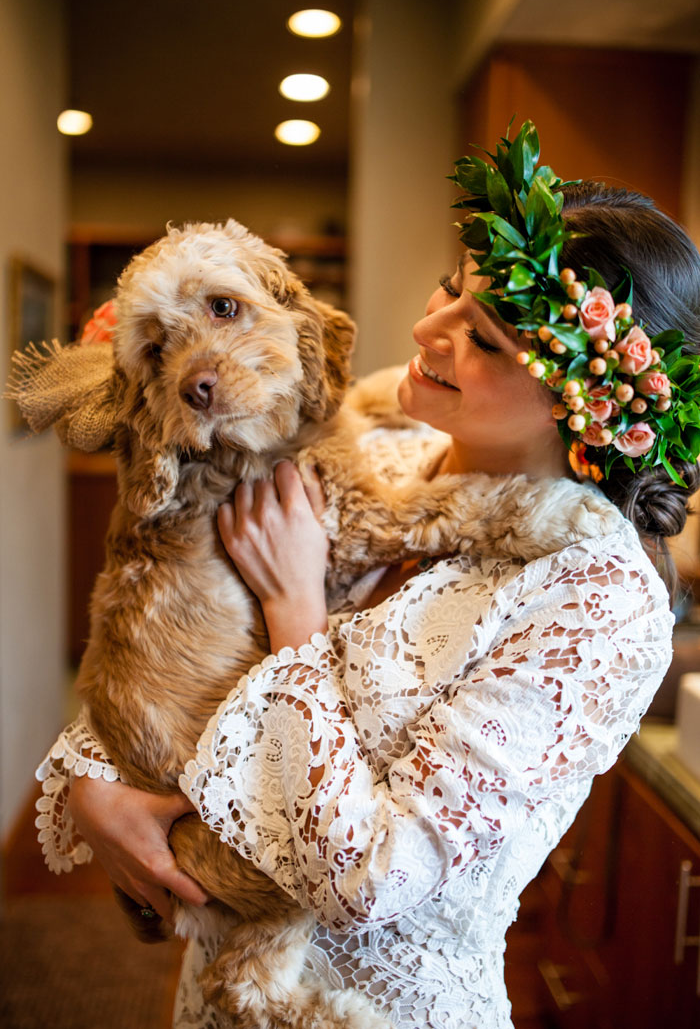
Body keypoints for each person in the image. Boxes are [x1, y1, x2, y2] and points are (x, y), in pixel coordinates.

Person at [36, 123, 700, 1029]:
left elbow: (372, 874)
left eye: (489, 338)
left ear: (581, 401)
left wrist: (295, 607)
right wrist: (94, 783)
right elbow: (169, 605)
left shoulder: (598, 603)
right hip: (213, 991)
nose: (429, 329)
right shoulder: (383, 430)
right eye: (449, 289)